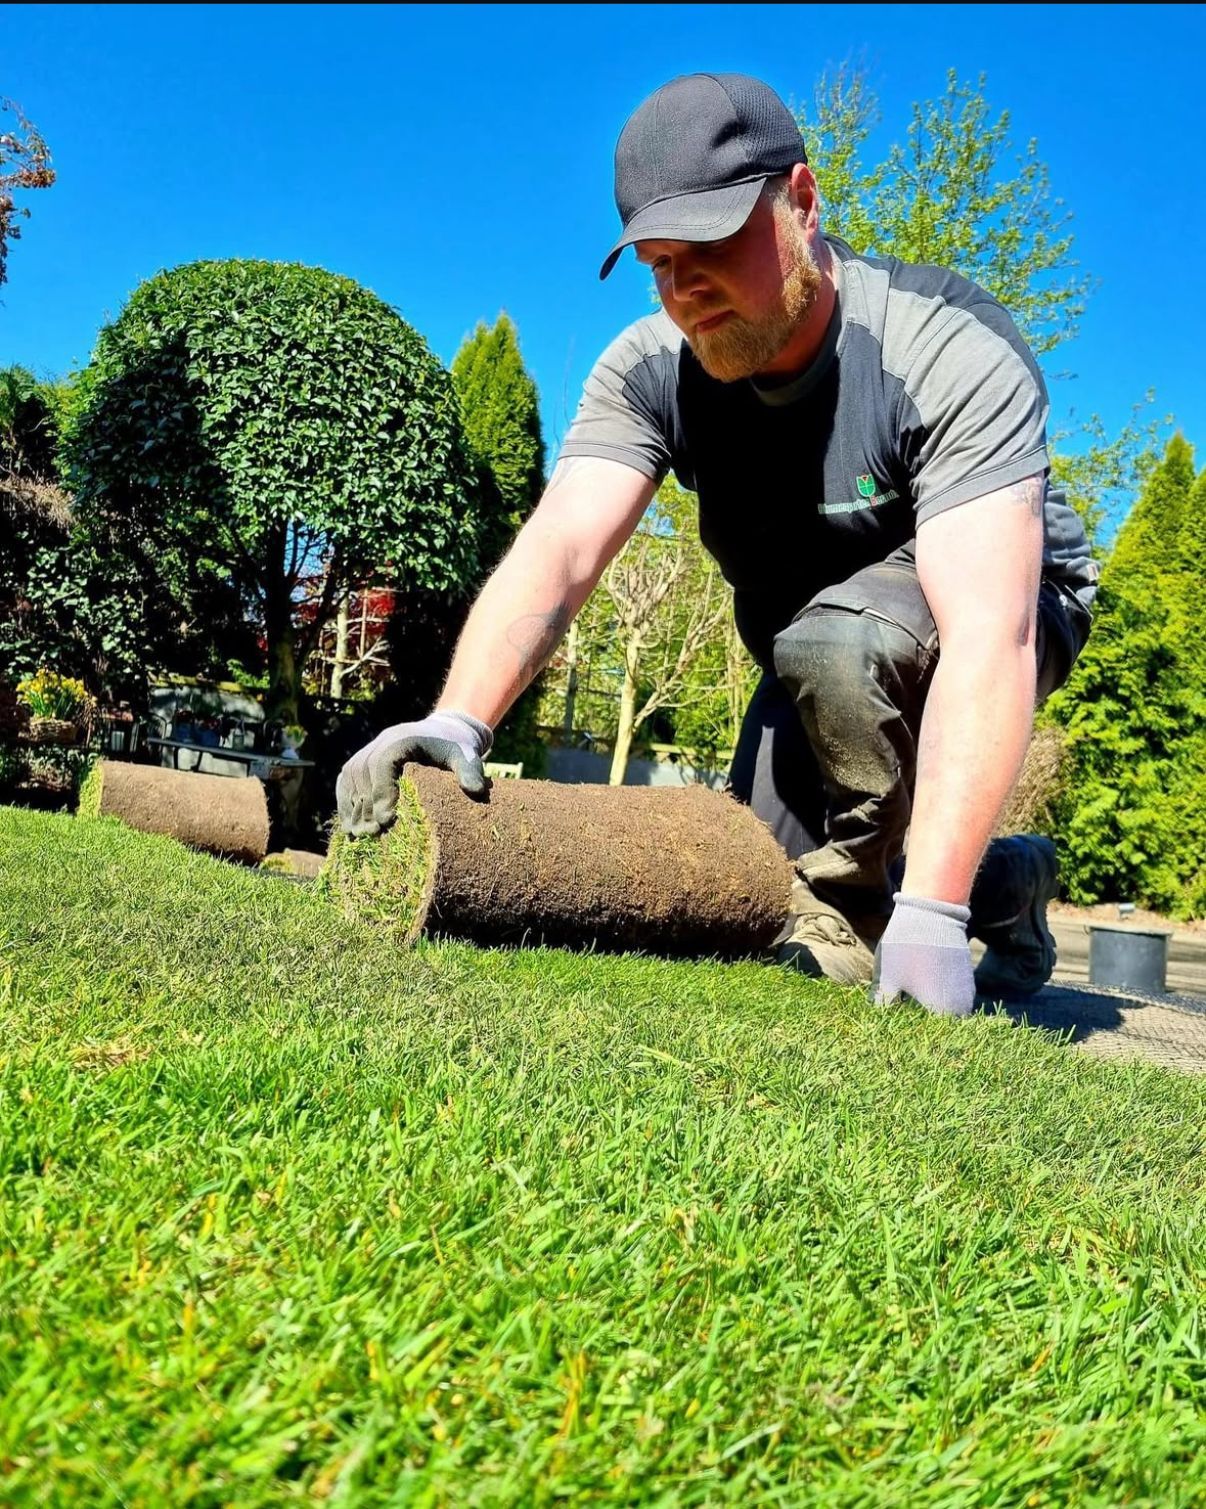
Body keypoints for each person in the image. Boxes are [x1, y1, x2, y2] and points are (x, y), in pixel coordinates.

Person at [337, 72, 1096, 1019]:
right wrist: (457, 723)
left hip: (1002, 604)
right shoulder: (650, 368)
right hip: (807, 645)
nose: (686, 289)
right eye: (660, 261)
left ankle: (907, 902)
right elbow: (563, 548)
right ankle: (1007, 884)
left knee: (843, 666)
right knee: (760, 878)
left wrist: (932, 912)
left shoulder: (939, 345)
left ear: (804, 202)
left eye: (711, 244)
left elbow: (990, 634)